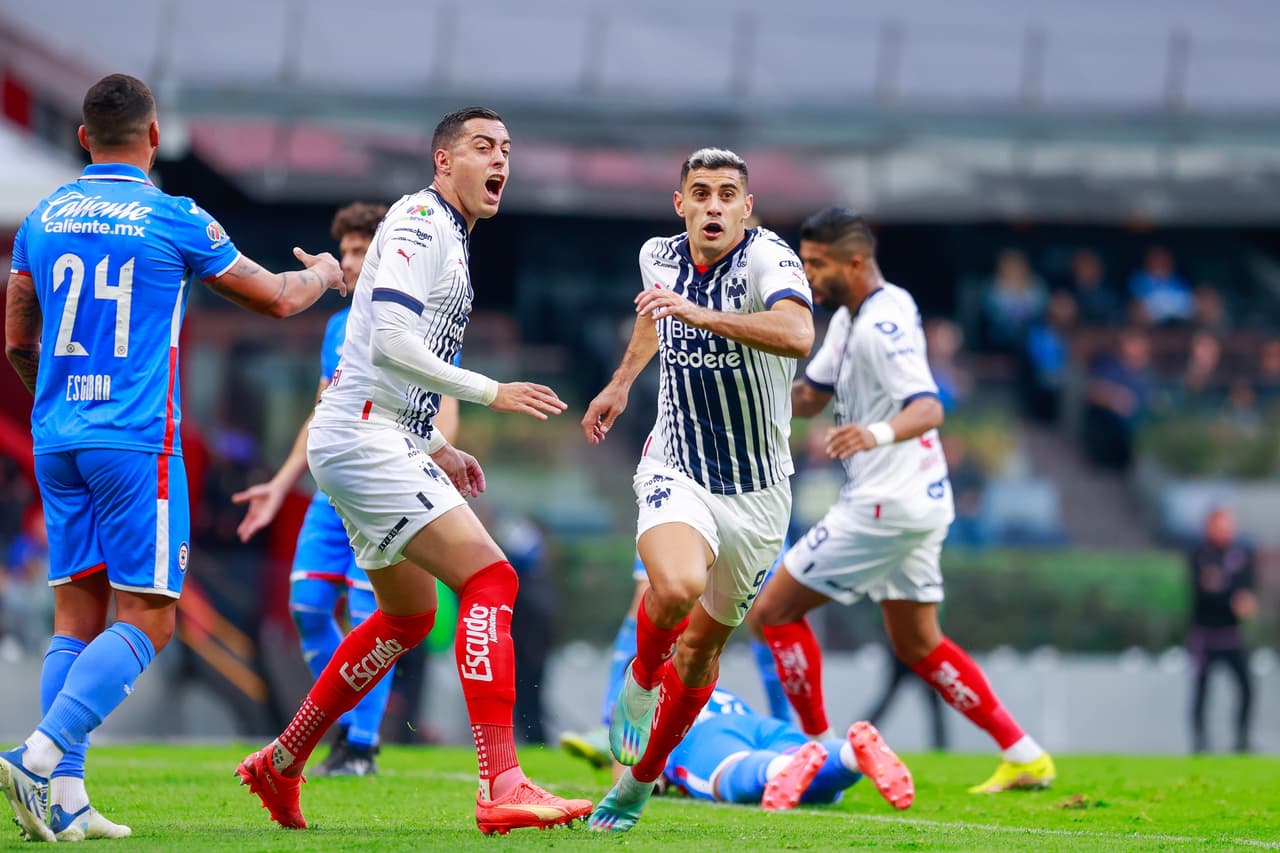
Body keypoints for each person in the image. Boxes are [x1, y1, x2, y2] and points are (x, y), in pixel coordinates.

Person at [0, 73, 344, 843]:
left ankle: (65, 797)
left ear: (83, 138)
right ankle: (38, 754)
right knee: (151, 619)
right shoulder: (174, 216)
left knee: (76, 615)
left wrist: (59, 403)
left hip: (58, 438)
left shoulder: (42, 217)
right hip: (135, 443)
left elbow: (19, 340)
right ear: (154, 137)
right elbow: (278, 297)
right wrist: (325, 272)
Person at [233, 106, 592, 835]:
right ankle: (502, 782)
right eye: (483, 146)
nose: (500, 160)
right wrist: (492, 392)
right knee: (492, 579)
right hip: (365, 437)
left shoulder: (451, 235)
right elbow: (392, 345)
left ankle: (282, 760)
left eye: (507, 149)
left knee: (408, 616)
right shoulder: (423, 223)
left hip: (378, 433)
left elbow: (387, 364)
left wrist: (436, 444)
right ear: (443, 161)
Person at [747, 208, 1055, 795]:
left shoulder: (882, 325)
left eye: (816, 263)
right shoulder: (854, 317)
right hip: (918, 502)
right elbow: (810, 396)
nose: (806, 275)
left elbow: (929, 406)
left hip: (884, 505)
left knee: (773, 613)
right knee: (917, 643)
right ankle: (1024, 754)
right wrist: (748, 391)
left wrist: (874, 433)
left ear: (854, 263)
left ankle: (822, 757)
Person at [581, 147, 814, 832]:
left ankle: (639, 780)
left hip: (759, 494)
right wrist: (622, 382)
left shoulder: (770, 259)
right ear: (680, 204)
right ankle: (639, 679)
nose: (714, 205)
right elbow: (655, 316)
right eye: (702, 193)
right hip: (676, 465)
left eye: (727, 194)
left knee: (703, 650)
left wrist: (701, 314)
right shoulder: (657, 255)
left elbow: (799, 332)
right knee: (676, 586)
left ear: (747, 207)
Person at [232, 202, 461, 776]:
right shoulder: (339, 328)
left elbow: (444, 409)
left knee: (370, 616)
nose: (351, 262)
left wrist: (425, 468)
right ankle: (347, 723)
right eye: (348, 252)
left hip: (385, 484)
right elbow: (323, 414)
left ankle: (360, 746)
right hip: (332, 491)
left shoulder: (420, 319)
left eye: (362, 251)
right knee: (307, 607)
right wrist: (281, 484)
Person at [559, 546, 793, 770]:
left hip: (754, 520)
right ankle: (613, 723)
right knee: (653, 592)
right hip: (685, 519)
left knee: (766, 611)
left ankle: (784, 724)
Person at [575, 687, 913, 815]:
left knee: (731, 776)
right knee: (821, 787)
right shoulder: (702, 676)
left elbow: (627, 778)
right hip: (758, 725)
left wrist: (652, 781)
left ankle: (778, 769)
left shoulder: (641, 699)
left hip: (701, 738)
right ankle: (851, 755)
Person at [1188, 507, 1256, 754]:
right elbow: (1206, 590)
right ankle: (1200, 743)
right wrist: (1232, 600)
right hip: (1205, 637)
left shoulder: (1242, 555)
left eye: (1228, 526)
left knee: (1246, 688)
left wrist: (1245, 602)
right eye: (1220, 526)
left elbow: (1247, 591)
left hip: (1232, 637)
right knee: (1202, 691)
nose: (1225, 531)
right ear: (1209, 528)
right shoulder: (1199, 555)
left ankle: (1242, 740)